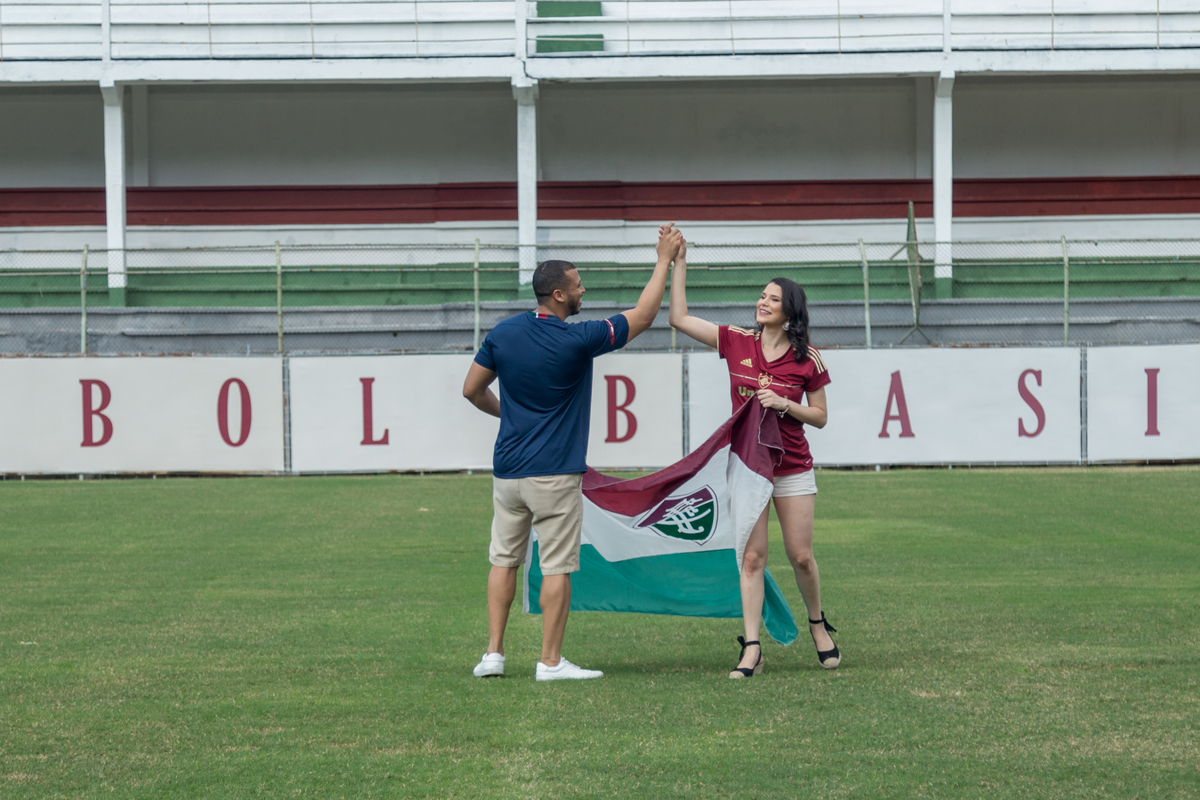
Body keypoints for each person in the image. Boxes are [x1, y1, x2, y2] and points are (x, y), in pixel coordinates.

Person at [462, 225, 685, 681]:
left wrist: (508, 416)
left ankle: (493, 655)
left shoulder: (503, 334)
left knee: (503, 559)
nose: (585, 290)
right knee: (557, 566)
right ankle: (549, 661)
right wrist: (663, 259)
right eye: (579, 285)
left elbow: (470, 390)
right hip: (554, 474)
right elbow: (642, 317)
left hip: (507, 472)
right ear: (560, 295)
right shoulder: (576, 339)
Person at [666, 235, 840, 678]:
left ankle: (818, 625)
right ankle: (753, 647)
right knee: (752, 558)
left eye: (773, 299)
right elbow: (680, 318)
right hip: (747, 466)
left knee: (801, 556)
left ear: (790, 311)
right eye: (761, 296)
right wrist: (679, 262)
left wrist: (786, 405)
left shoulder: (809, 358)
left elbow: (819, 417)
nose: (762, 303)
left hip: (792, 467)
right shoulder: (737, 340)